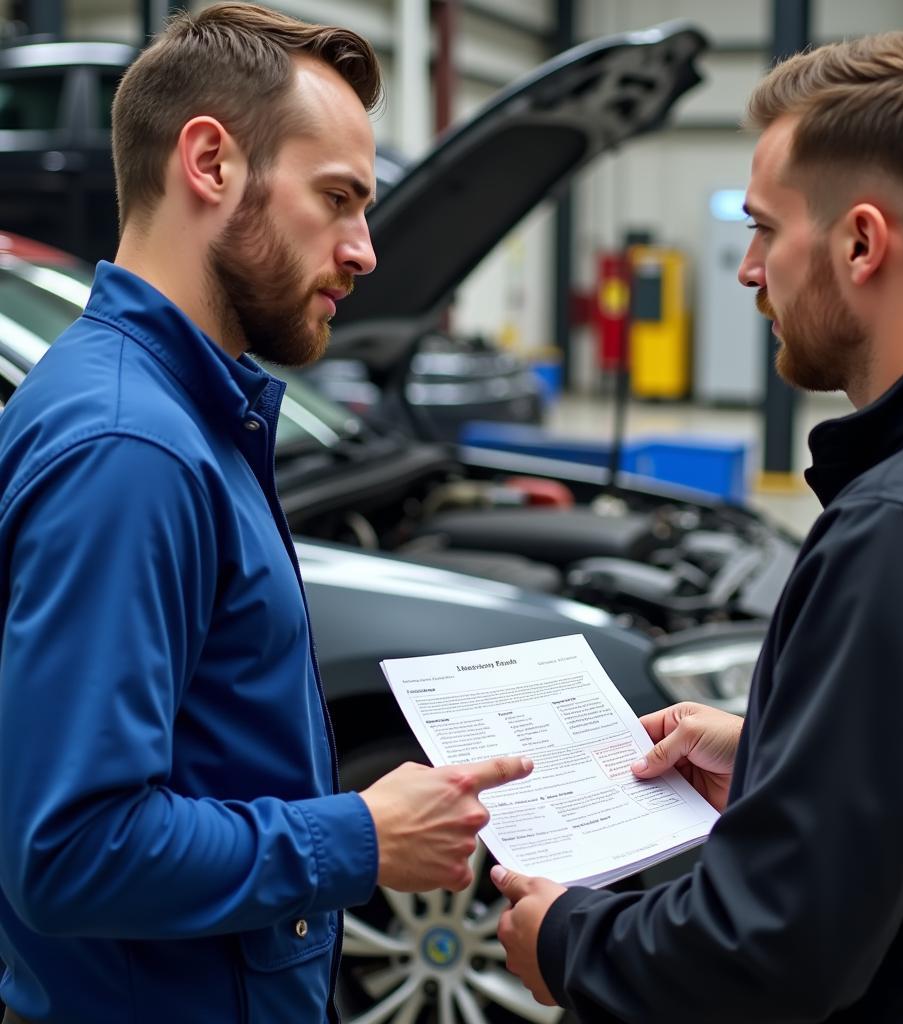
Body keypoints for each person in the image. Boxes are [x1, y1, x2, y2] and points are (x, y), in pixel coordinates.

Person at [0, 5, 532, 1023]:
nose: (364, 250)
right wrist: (359, 838)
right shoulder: (132, 450)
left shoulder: (185, 415)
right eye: (336, 198)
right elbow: (70, 851)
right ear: (210, 163)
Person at [492, 27, 903, 1022]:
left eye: (763, 228)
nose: (746, 271)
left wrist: (566, 937)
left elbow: (772, 949)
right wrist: (786, 747)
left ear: (861, 242)